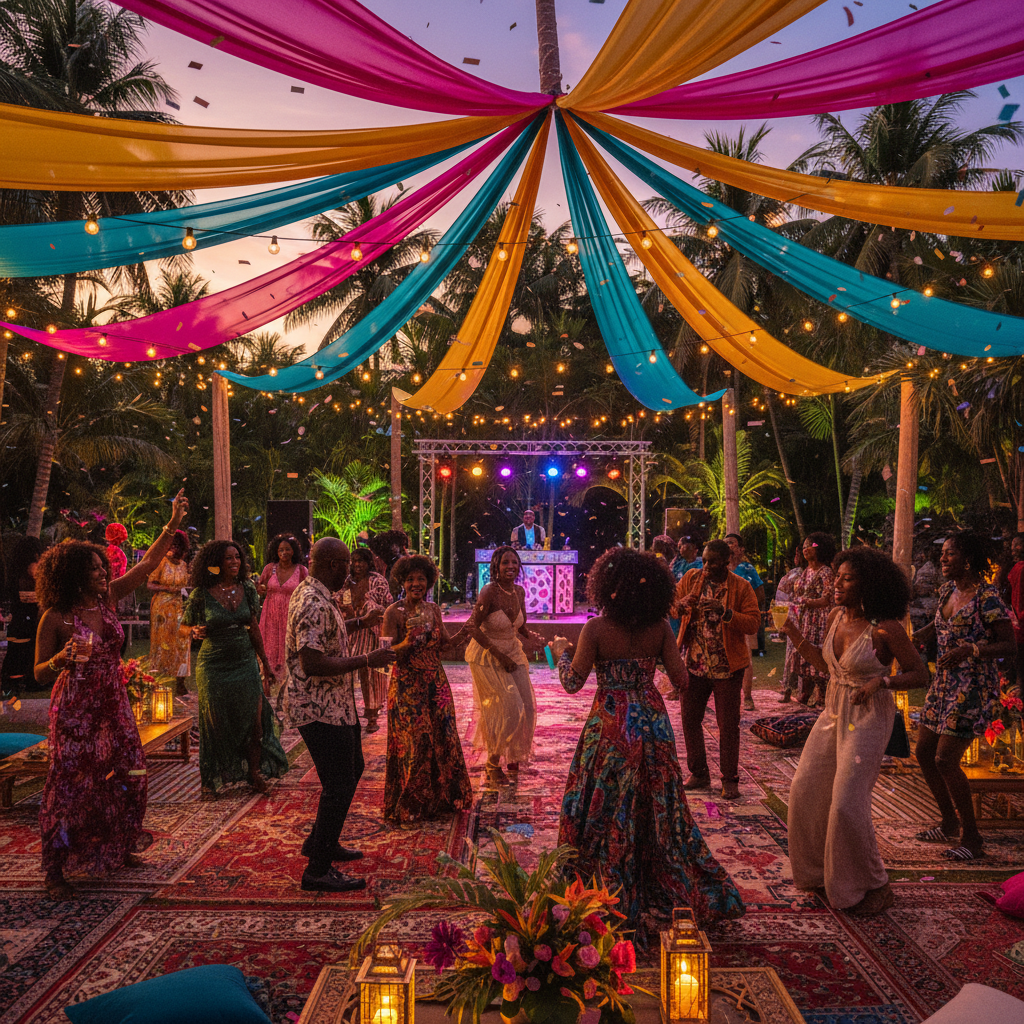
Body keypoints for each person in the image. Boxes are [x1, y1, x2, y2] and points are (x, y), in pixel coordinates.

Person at [550, 548, 745, 933]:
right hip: (652, 724)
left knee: (605, 801)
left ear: (607, 589)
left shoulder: (596, 629)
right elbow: (682, 681)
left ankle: (603, 882)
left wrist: (559, 654)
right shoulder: (659, 628)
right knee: (658, 801)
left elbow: (572, 683)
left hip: (609, 725)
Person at [32, 490, 189, 900]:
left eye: (104, 567)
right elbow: (35, 673)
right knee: (70, 784)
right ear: (72, 575)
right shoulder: (54, 616)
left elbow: (150, 563)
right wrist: (60, 661)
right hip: (75, 708)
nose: (103, 573)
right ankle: (56, 868)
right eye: (94, 569)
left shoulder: (110, 599)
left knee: (131, 772)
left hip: (113, 700)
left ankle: (118, 844)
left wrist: (172, 524)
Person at [781, 548, 928, 915]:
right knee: (805, 789)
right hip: (833, 709)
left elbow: (920, 674)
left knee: (847, 802)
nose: (836, 584)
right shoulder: (834, 616)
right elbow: (825, 664)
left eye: (846, 578)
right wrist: (793, 633)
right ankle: (820, 873)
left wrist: (883, 682)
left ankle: (875, 884)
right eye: (837, 577)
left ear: (868, 584)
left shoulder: (885, 628)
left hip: (868, 716)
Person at [285, 538, 396, 892]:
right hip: (316, 707)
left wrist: (362, 622)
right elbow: (312, 661)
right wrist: (366, 660)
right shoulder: (311, 601)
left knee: (353, 769)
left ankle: (321, 842)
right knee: (338, 784)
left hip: (336, 704)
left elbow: (327, 635)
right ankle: (317, 870)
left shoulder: (318, 595)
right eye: (347, 564)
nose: (351, 571)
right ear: (334, 565)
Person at [911, 532, 1014, 861]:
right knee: (924, 752)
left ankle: (973, 838)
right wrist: (910, 638)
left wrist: (971, 649)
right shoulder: (946, 591)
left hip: (971, 687)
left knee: (945, 759)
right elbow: (938, 627)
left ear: (967, 559)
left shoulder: (987, 597)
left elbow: (1008, 644)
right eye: (942, 554)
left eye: (949, 554)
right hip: (942, 685)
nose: (942, 559)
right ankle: (948, 822)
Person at [183, 540, 288, 799]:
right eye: (229, 558)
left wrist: (264, 663)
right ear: (216, 562)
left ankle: (254, 773)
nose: (234, 562)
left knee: (254, 721)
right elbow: (184, 625)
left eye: (238, 558)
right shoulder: (201, 592)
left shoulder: (248, 588)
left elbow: (253, 626)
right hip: (213, 664)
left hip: (244, 661)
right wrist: (194, 631)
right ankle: (210, 780)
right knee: (215, 722)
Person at [381, 555, 472, 823]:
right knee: (417, 741)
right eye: (410, 579)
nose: (416, 584)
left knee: (444, 737)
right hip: (407, 687)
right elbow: (384, 654)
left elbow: (444, 644)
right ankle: (411, 803)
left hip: (436, 685)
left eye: (421, 579)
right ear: (402, 582)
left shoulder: (433, 609)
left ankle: (441, 798)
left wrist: (467, 632)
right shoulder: (393, 613)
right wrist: (407, 641)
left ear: (429, 582)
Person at [674, 539, 760, 800]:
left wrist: (726, 613)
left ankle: (729, 779)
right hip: (695, 663)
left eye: (713, 561)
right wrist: (681, 605)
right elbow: (672, 606)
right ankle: (699, 772)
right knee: (690, 720)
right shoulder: (691, 577)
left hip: (727, 667)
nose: (707, 566)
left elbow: (754, 623)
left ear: (726, 562)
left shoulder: (741, 586)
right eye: (705, 560)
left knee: (728, 725)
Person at [464, 546, 545, 785]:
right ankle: (492, 763)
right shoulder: (488, 592)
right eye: (505, 563)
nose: (510, 566)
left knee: (527, 707)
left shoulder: (519, 592)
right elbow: (472, 627)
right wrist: (499, 655)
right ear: (496, 567)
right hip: (487, 655)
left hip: (513, 652)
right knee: (508, 708)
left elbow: (519, 625)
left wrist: (531, 637)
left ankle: (514, 753)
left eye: (514, 562)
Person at [337, 547, 392, 733]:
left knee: (373, 675)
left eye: (361, 560)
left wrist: (362, 602)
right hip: (354, 631)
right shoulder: (348, 581)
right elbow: (341, 599)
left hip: (372, 632)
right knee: (352, 671)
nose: (357, 564)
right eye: (354, 561)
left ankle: (372, 715)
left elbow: (382, 602)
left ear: (369, 563)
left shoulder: (377, 580)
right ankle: (349, 714)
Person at [782, 532, 837, 706]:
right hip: (806, 620)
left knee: (818, 658)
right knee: (803, 657)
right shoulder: (805, 571)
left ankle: (821, 697)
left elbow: (828, 599)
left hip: (820, 621)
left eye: (811, 546)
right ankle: (805, 694)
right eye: (804, 546)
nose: (806, 549)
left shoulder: (826, 572)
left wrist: (806, 602)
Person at [256, 534, 308, 686]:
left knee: (289, 647)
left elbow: (308, 591)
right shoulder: (270, 568)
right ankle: (267, 683)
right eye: (280, 550)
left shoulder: (301, 571)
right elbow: (260, 586)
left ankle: (289, 685)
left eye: (287, 549)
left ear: (293, 551)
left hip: (291, 615)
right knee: (269, 646)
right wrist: (261, 589)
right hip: (270, 616)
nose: (284, 553)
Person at [147, 529, 191, 696]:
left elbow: (185, 586)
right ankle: (158, 680)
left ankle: (180, 681)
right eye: (170, 545)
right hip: (162, 608)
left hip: (179, 607)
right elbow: (150, 585)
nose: (173, 548)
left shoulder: (183, 565)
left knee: (182, 642)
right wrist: (169, 588)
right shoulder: (161, 562)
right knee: (162, 643)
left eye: (176, 545)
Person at [725, 533, 766, 711]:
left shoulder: (747, 569)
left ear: (741, 549)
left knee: (746, 658)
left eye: (732, 543)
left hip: (742, 621)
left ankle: (747, 697)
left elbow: (761, 594)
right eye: (725, 543)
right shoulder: (720, 567)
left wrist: (748, 612)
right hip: (722, 620)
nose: (729, 546)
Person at [1, 536, 44, 697]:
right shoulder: (31, 571)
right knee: (27, 651)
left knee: (16, 652)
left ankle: (11, 683)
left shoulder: (14, 572)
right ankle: (28, 681)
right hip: (29, 618)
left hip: (19, 619)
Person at [999, 533, 1023, 690]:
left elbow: (1018, 601)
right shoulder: (1018, 568)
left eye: (1018, 545)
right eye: (1013, 546)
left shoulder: (1020, 569)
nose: (1013, 549)